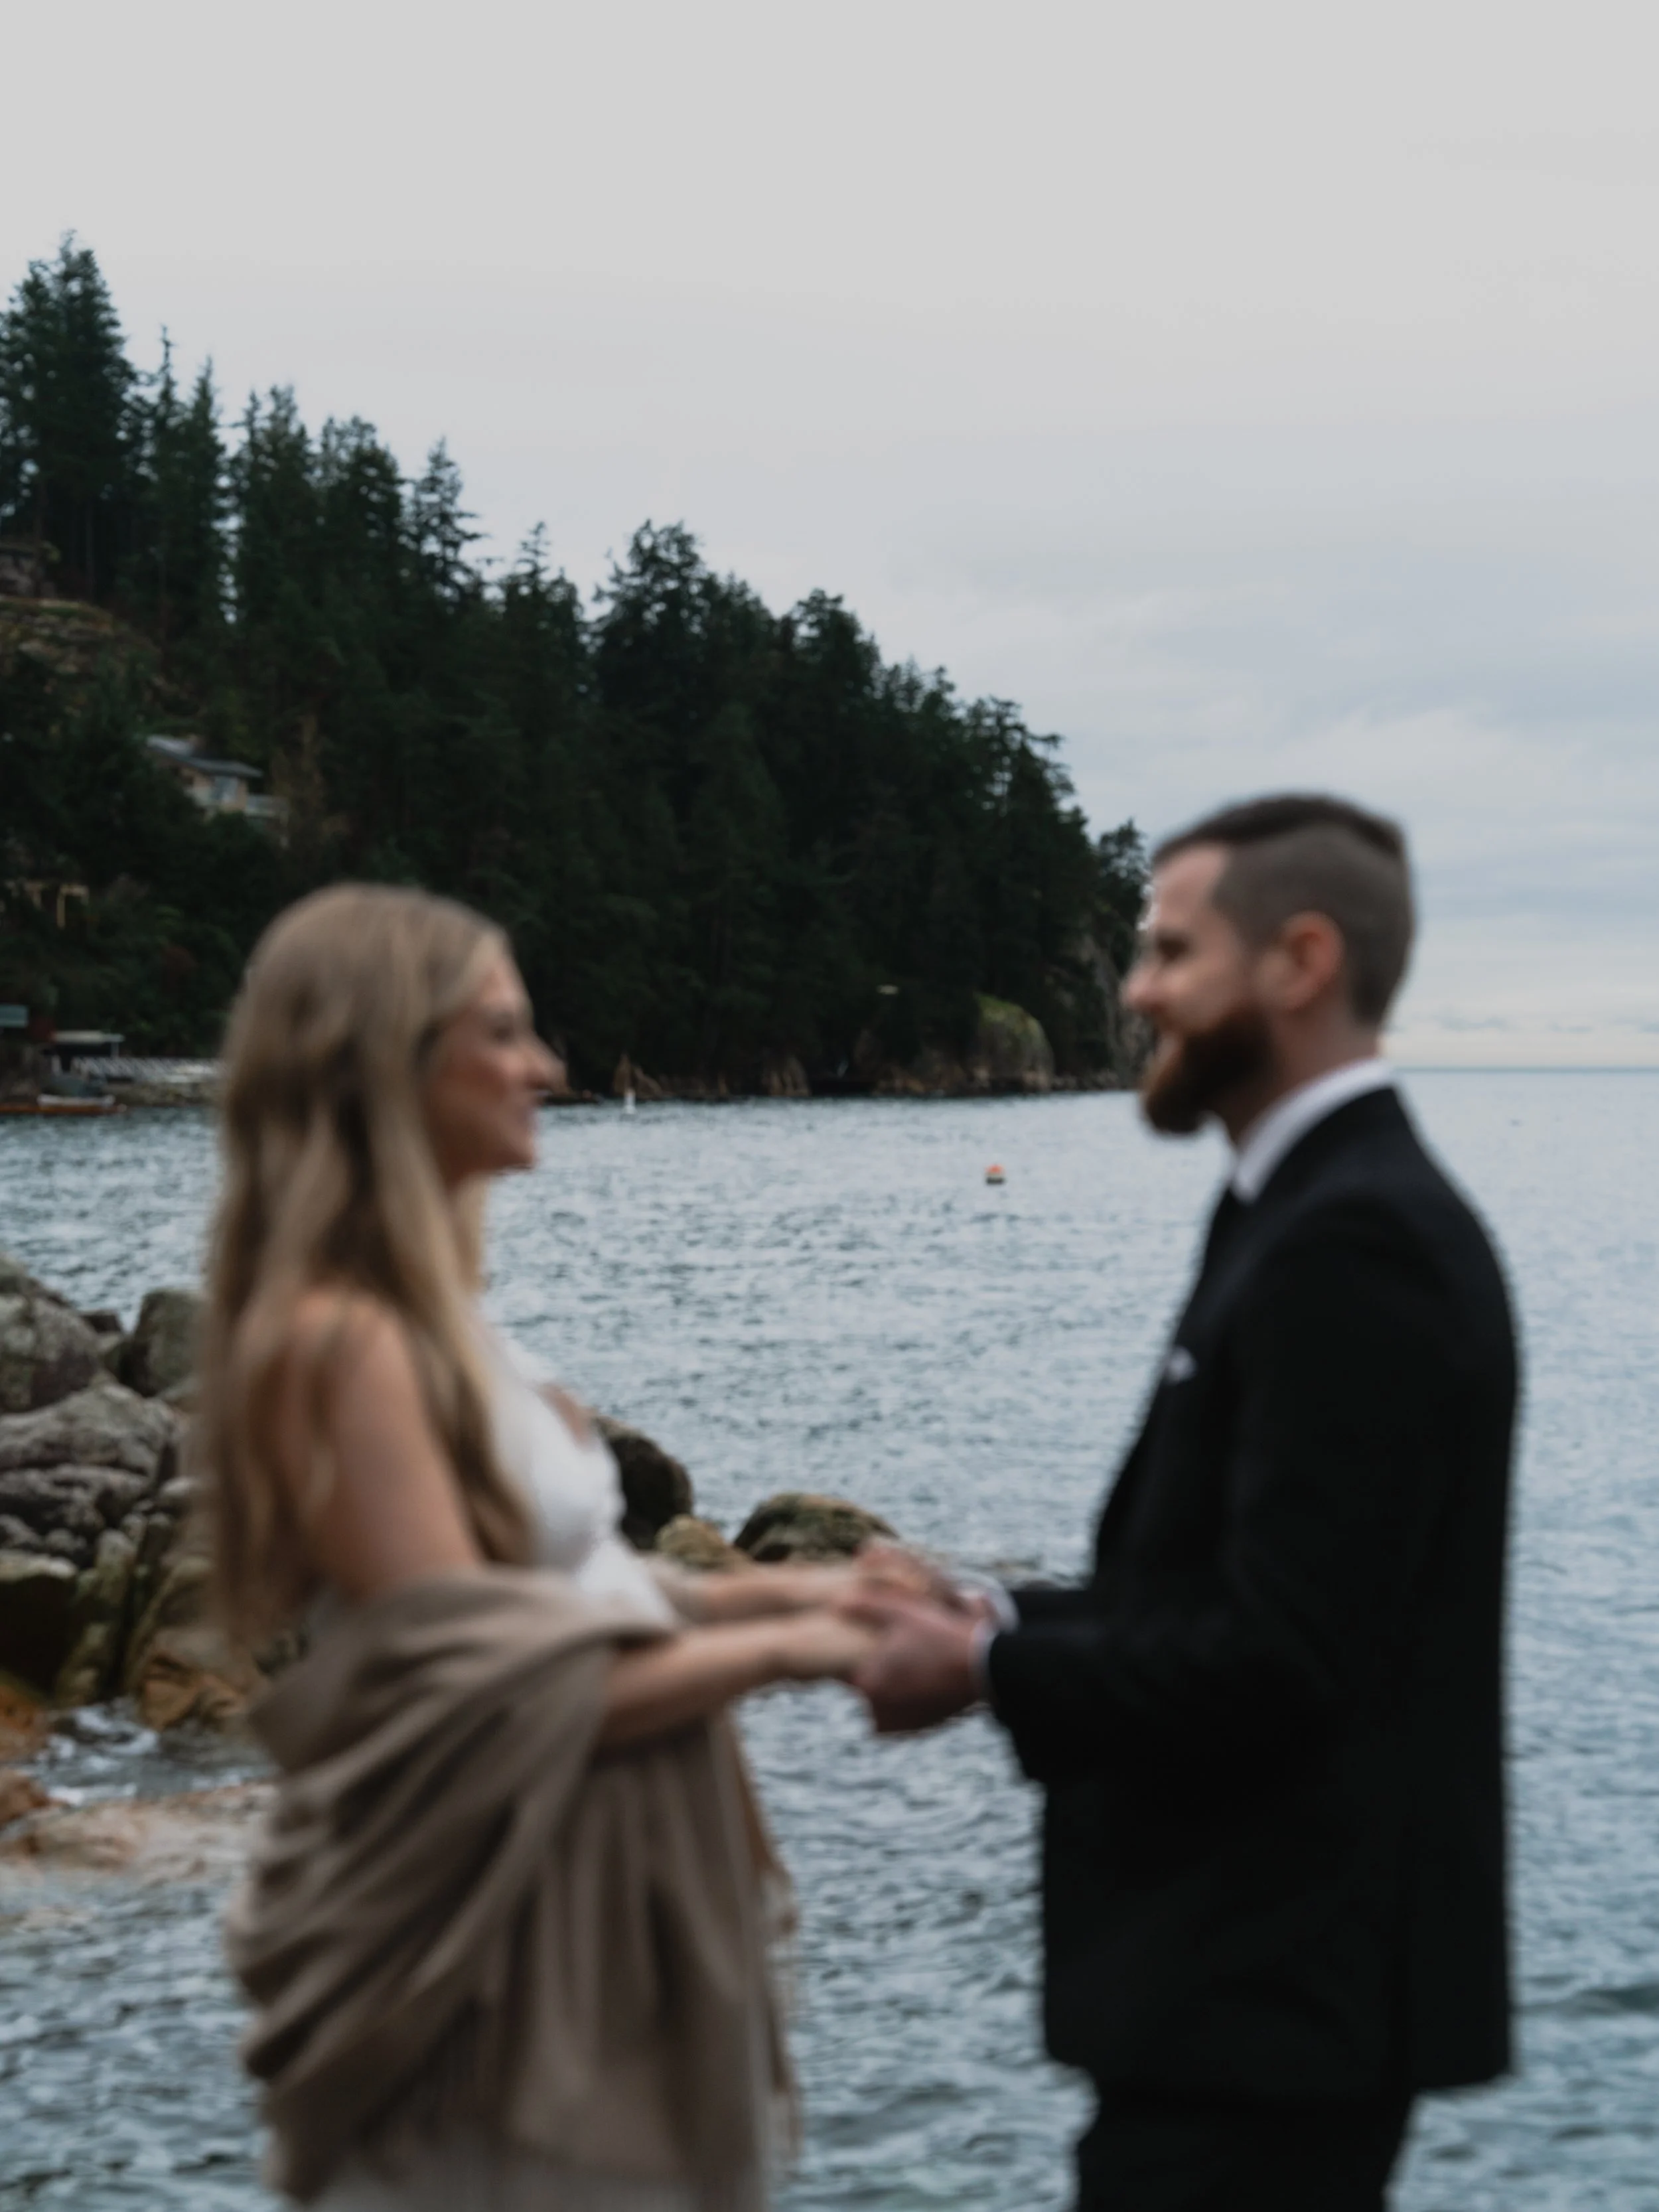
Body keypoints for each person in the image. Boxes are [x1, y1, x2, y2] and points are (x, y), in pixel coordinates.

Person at [846, 794, 1517, 2211]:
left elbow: (1282, 1659)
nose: (1136, 989)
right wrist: (1000, 1607)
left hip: (1272, 2008)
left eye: (1168, 952)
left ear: (1299, 961)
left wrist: (980, 1665)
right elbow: (1240, 1591)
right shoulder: (1298, 1210)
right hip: (1245, 2004)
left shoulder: (1356, 1243)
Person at [198, 884, 882, 2211]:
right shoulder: (340, 1347)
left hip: (565, 1910)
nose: (547, 1069)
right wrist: (805, 1646)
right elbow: (483, 1686)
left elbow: (588, 1599)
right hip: (483, 1947)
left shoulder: (437, 1327)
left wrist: (815, 1590)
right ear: (385, 1058)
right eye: (504, 1033)